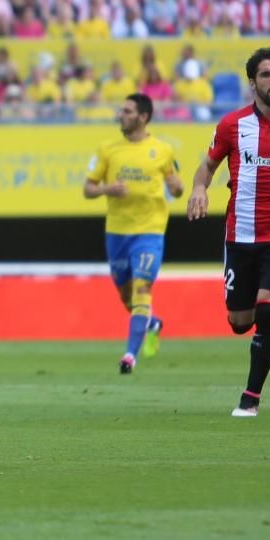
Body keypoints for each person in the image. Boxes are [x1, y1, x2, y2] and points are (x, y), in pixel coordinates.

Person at [187, 48, 270, 418]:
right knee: (239, 322)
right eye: (266, 74)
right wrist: (199, 189)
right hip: (241, 234)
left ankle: (251, 397)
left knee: (268, 308)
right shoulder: (231, 125)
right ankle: (253, 340)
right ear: (253, 83)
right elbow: (207, 167)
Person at [83, 93, 183, 374]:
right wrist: (107, 189)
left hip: (150, 232)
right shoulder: (107, 149)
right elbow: (88, 188)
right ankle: (151, 324)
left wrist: (176, 187)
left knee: (142, 290)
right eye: (121, 110)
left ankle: (129, 355)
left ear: (143, 117)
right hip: (117, 233)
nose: (121, 115)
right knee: (127, 297)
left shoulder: (162, 150)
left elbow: (176, 185)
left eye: (127, 111)